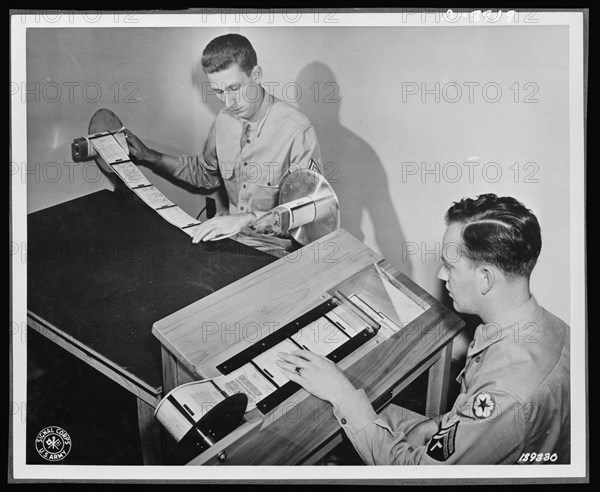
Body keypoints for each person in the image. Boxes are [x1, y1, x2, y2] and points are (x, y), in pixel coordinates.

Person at [277, 193, 570, 464]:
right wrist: (438, 424)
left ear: (485, 278)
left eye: (450, 266)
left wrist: (340, 394)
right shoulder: (550, 328)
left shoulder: (503, 393)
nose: (442, 275)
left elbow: (417, 473)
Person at [125, 33, 321, 257]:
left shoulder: (297, 130)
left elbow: (309, 211)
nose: (228, 103)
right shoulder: (224, 120)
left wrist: (247, 219)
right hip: (232, 240)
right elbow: (206, 174)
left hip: (278, 251)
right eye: (219, 91)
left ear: (256, 75)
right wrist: (151, 157)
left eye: (234, 88)